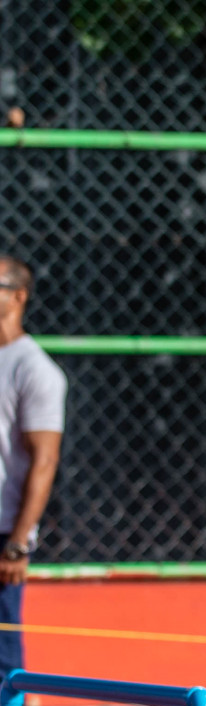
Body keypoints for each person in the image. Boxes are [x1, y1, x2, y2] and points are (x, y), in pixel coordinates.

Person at [0, 256, 66, 674]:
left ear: (19, 296)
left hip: (4, 530)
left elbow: (45, 460)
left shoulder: (35, 369)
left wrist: (18, 543)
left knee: (3, 659)